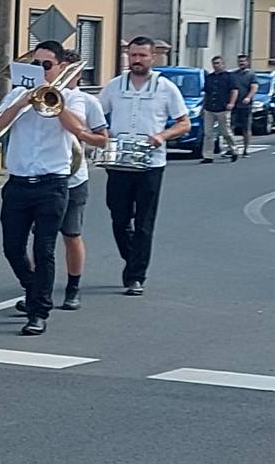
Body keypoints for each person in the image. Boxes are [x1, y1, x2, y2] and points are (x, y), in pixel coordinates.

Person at [0, 40, 87, 337]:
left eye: (47, 65)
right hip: (18, 182)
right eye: (36, 64)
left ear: (59, 67)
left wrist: (54, 103)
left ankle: (38, 312)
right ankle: (34, 289)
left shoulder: (70, 96)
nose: (41, 69)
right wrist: (21, 103)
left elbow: (79, 130)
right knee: (12, 247)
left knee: (44, 249)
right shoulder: (17, 94)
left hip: (52, 183)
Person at [100, 37, 190, 296]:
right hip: (119, 162)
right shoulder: (115, 86)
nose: (137, 60)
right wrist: (103, 134)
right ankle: (132, 258)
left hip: (151, 163)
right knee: (118, 218)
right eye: (133, 55)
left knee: (144, 221)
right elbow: (96, 114)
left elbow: (183, 123)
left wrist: (162, 136)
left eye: (142, 55)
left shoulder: (166, 88)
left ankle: (136, 275)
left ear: (153, 58)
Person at [52, 50, 108, 311]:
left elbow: (102, 138)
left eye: (71, 71)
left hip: (74, 177)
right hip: (46, 176)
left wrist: (81, 135)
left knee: (71, 234)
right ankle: (35, 289)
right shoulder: (39, 95)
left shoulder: (87, 101)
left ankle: (73, 287)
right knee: (41, 237)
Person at [201, 55, 240, 163]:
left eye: (218, 63)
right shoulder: (210, 77)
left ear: (223, 64)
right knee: (208, 134)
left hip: (223, 108)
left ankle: (234, 150)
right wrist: (203, 107)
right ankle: (208, 156)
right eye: (214, 63)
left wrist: (231, 103)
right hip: (210, 108)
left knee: (225, 132)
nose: (216, 65)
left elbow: (234, 90)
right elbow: (206, 93)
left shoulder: (229, 76)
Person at [231, 55, 258, 158]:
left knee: (245, 128)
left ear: (247, 62)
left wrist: (248, 98)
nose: (241, 63)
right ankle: (232, 148)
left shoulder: (251, 75)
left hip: (245, 106)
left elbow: (254, 88)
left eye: (243, 61)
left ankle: (246, 149)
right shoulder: (234, 74)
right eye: (239, 61)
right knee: (230, 128)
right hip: (234, 105)